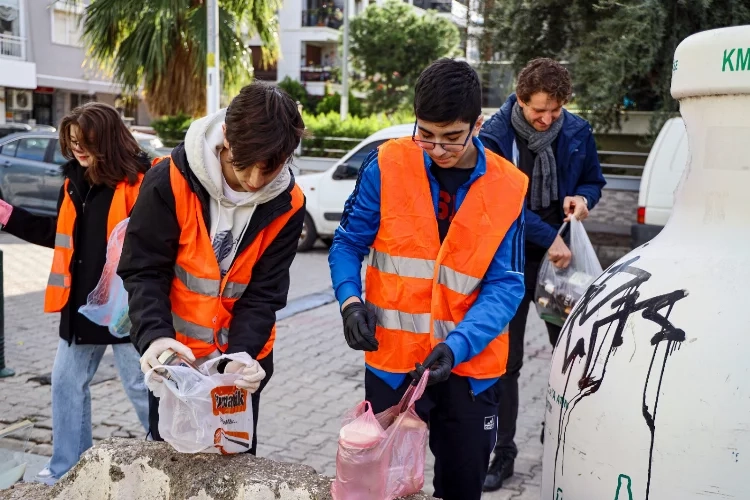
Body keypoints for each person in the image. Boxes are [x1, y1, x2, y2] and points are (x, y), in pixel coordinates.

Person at [328, 58, 528, 500]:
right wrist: (349, 302)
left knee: (461, 488)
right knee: (379, 488)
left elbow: (506, 285)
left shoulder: (507, 186)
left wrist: (457, 345)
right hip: (393, 363)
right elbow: (347, 244)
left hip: (469, 368)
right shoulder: (386, 164)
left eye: (452, 138)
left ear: (477, 124)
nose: (437, 149)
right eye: (426, 134)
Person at [117, 82, 305, 454]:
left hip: (237, 365)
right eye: (241, 166)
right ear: (225, 139)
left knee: (232, 462)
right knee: (173, 463)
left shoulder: (289, 203)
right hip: (177, 362)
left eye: (268, 170)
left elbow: (264, 294)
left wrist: (241, 357)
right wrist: (155, 337)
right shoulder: (168, 180)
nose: (253, 182)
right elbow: (144, 270)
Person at [0, 102, 151, 484]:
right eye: (72, 141)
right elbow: (60, 235)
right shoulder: (73, 182)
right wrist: (5, 214)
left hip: (126, 307)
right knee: (66, 384)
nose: (78, 149)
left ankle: (171, 463)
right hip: (82, 306)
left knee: (142, 386)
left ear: (108, 138)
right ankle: (67, 469)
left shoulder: (142, 179)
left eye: (86, 140)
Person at [478, 57, 606, 491]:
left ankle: (559, 435)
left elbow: (594, 181)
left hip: (562, 263)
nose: (548, 118)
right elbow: (499, 204)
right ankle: (503, 453)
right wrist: (548, 235)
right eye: (539, 110)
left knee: (567, 356)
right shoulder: (495, 136)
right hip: (511, 260)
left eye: (555, 110)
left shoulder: (576, 131)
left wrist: (583, 201)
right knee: (505, 362)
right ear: (520, 99)